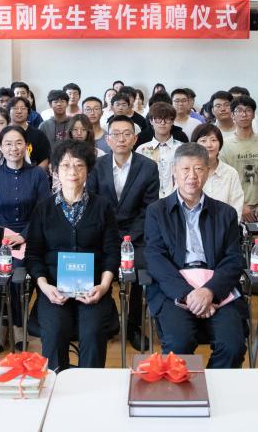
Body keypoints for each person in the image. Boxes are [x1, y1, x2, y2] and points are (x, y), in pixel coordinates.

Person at [144, 143, 248, 368]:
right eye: (185, 169)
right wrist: (189, 294)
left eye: (199, 169)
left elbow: (233, 259)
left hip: (216, 287)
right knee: (179, 344)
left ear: (208, 171)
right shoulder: (157, 211)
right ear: (174, 171)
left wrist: (209, 292)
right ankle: (183, 389)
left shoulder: (225, 213)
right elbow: (155, 258)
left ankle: (212, 386)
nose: (192, 176)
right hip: (175, 289)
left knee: (232, 346)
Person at [25, 140, 118, 370]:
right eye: (66, 165)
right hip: (53, 288)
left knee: (93, 332)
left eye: (79, 165)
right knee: (55, 331)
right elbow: (33, 254)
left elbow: (112, 252)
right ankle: (57, 384)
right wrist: (44, 286)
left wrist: (104, 286)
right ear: (55, 170)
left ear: (88, 170)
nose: (72, 171)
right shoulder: (43, 209)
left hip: (93, 288)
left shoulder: (103, 207)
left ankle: (89, 386)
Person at [86, 115, 160, 350]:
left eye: (127, 134)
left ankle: (134, 325)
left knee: (140, 268)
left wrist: (129, 238)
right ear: (107, 139)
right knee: (95, 265)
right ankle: (107, 319)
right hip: (103, 233)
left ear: (135, 139)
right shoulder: (96, 166)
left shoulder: (148, 167)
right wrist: (110, 236)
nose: (121, 139)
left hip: (136, 235)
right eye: (116, 134)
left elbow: (149, 209)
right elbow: (92, 205)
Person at [0, 125, 51, 243]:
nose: (14, 148)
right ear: (1, 147)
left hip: (34, 234)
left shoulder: (38, 173)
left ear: (26, 146)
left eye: (19, 143)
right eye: (8, 144)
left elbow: (45, 211)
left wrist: (23, 236)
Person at [219, 96, 258, 222]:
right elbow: (223, 179)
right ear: (232, 115)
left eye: (248, 110)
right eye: (239, 110)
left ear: (253, 115)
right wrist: (240, 204)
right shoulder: (224, 145)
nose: (244, 114)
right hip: (235, 207)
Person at [192, 124, 245, 219]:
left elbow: (236, 208)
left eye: (213, 140)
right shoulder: (188, 172)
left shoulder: (230, 173)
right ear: (195, 145)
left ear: (220, 144)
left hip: (225, 226)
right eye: (203, 141)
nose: (209, 145)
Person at [135, 102, 182, 198]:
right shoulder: (141, 149)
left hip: (176, 198)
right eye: (158, 119)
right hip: (149, 199)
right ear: (151, 121)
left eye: (167, 119)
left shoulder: (182, 148)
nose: (162, 123)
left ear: (172, 121)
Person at [7, 97, 51, 168]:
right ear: (9, 111)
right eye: (15, 108)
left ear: (28, 112)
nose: (19, 111)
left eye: (23, 108)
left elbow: (45, 159)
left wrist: (35, 173)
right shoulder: (4, 134)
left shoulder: (38, 135)